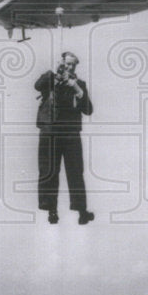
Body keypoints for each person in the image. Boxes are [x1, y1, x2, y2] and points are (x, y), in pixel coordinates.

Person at [35, 51, 94, 225]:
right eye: (66, 64)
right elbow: (37, 86)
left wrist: (76, 88)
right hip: (50, 132)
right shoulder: (50, 79)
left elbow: (89, 109)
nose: (69, 67)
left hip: (70, 134)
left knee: (76, 172)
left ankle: (82, 211)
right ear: (61, 63)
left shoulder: (79, 84)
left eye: (72, 65)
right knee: (48, 171)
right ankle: (51, 210)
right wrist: (54, 73)